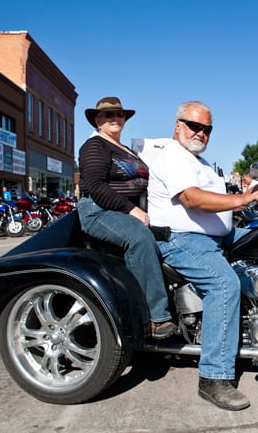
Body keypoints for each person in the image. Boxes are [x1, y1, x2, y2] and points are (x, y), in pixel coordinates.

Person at [144, 101, 258, 411]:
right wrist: (243, 198)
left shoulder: (200, 161)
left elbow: (223, 198)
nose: (200, 132)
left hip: (217, 236)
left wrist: (257, 193)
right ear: (178, 125)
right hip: (182, 239)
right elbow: (191, 198)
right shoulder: (172, 156)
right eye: (194, 125)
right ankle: (214, 377)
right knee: (224, 285)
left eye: (206, 128)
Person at [78, 96, 177, 340]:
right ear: (97, 120)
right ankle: (155, 318)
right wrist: (131, 210)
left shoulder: (127, 150)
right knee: (139, 238)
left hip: (128, 210)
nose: (115, 119)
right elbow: (94, 185)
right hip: (99, 210)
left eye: (119, 115)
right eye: (108, 115)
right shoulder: (95, 146)